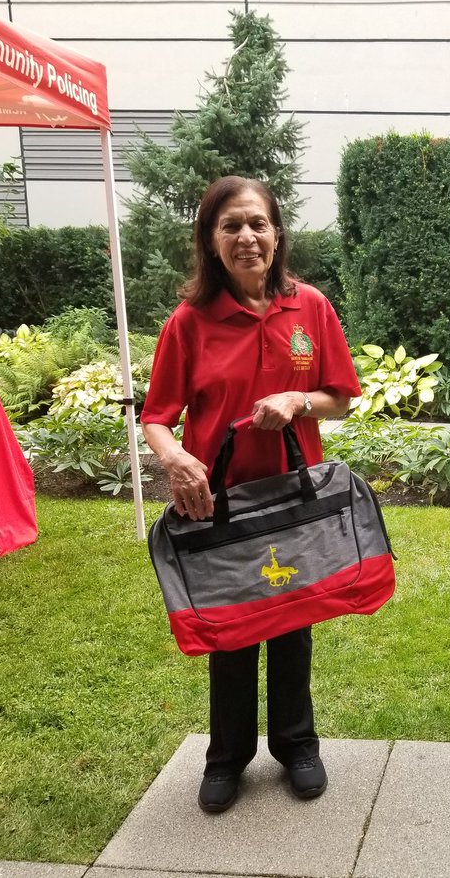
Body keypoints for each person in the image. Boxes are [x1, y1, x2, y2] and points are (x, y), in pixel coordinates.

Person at [141, 176, 361, 814]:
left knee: (294, 620)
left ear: (277, 233)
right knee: (232, 629)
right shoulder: (190, 322)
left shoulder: (310, 308)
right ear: (211, 241)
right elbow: (158, 416)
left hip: (293, 498)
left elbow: (341, 400)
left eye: (258, 224)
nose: (247, 238)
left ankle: (297, 745)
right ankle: (226, 756)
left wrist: (298, 399)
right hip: (220, 503)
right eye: (231, 227)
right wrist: (177, 458)